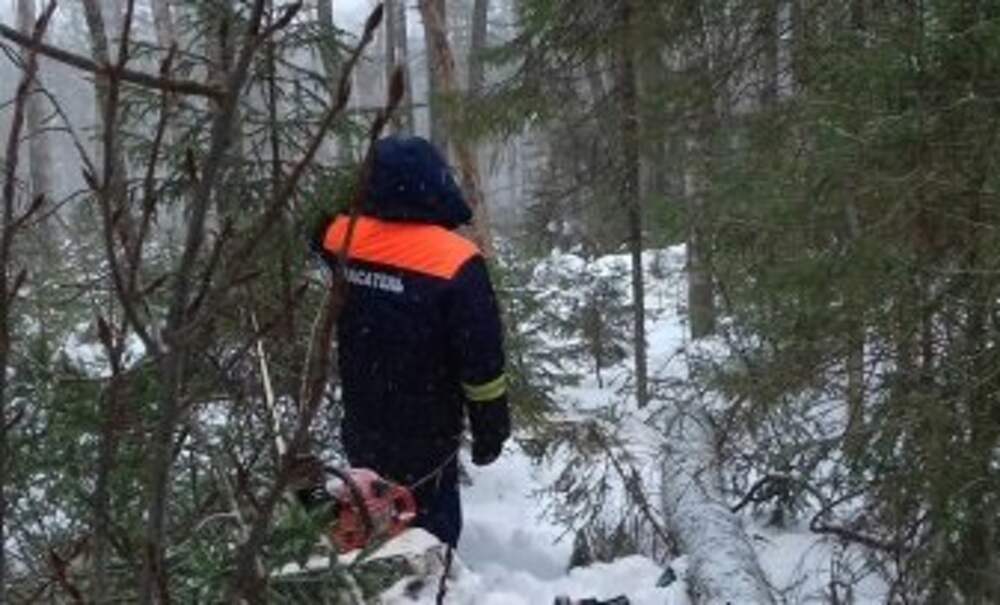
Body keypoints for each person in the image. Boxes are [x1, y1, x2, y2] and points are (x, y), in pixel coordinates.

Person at [311, 135, 511, 548]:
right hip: (428, 432)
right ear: (437, 181)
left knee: (367, 515)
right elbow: (482, 360)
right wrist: (490, 426)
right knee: (430, 532)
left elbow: (315, 230)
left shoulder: (341, 238)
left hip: (363, 420)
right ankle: (434, 576)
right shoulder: (457, 260)